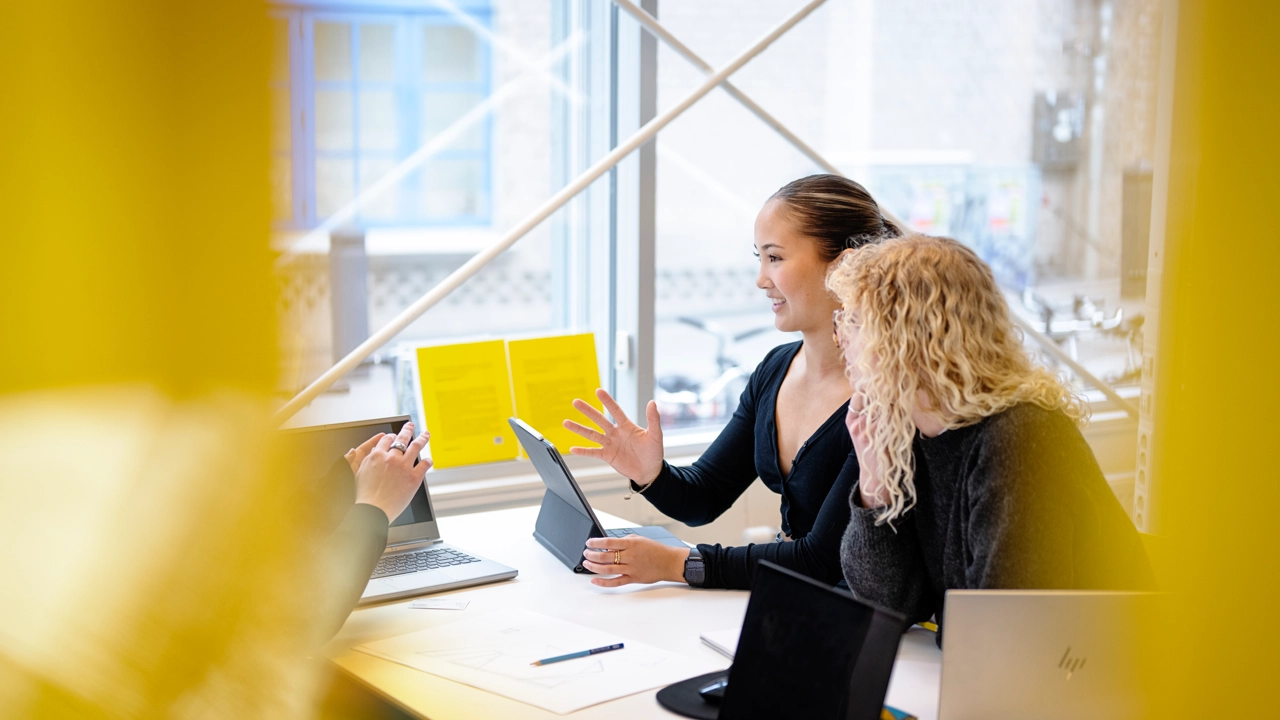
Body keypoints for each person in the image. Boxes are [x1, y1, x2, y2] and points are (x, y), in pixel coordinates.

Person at [562, 174, 900, 590]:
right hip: (800, 605)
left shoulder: (885, 396)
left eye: (775, 258)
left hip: (867, 626)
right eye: (759, 258)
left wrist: (677, 563)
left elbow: (822, 559)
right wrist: (651, 474)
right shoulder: (775, 369)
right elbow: (703, 497)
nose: (761, 278)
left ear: (844, 264)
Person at [827, 234, 1154, 637]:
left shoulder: (1020, 437)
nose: (841, 337)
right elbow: (889, 602)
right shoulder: (909, 429)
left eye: (855, 321)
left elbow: (1009, 632)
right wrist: (874, 485)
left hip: (1093, 678)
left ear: (908, 337)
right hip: (1003, 675)